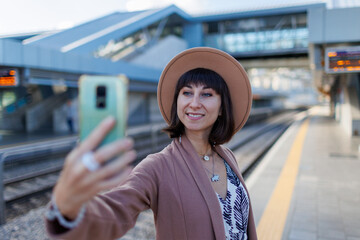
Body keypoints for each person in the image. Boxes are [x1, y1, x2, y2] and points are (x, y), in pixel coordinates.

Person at [45, 47, 258, 240]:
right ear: (177, 102)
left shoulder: (227, 157)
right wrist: (67, 209)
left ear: (221, 107)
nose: (194, 103)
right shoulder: (157, 166)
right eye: (186, 93)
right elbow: (116, 210)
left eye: (206, 94)